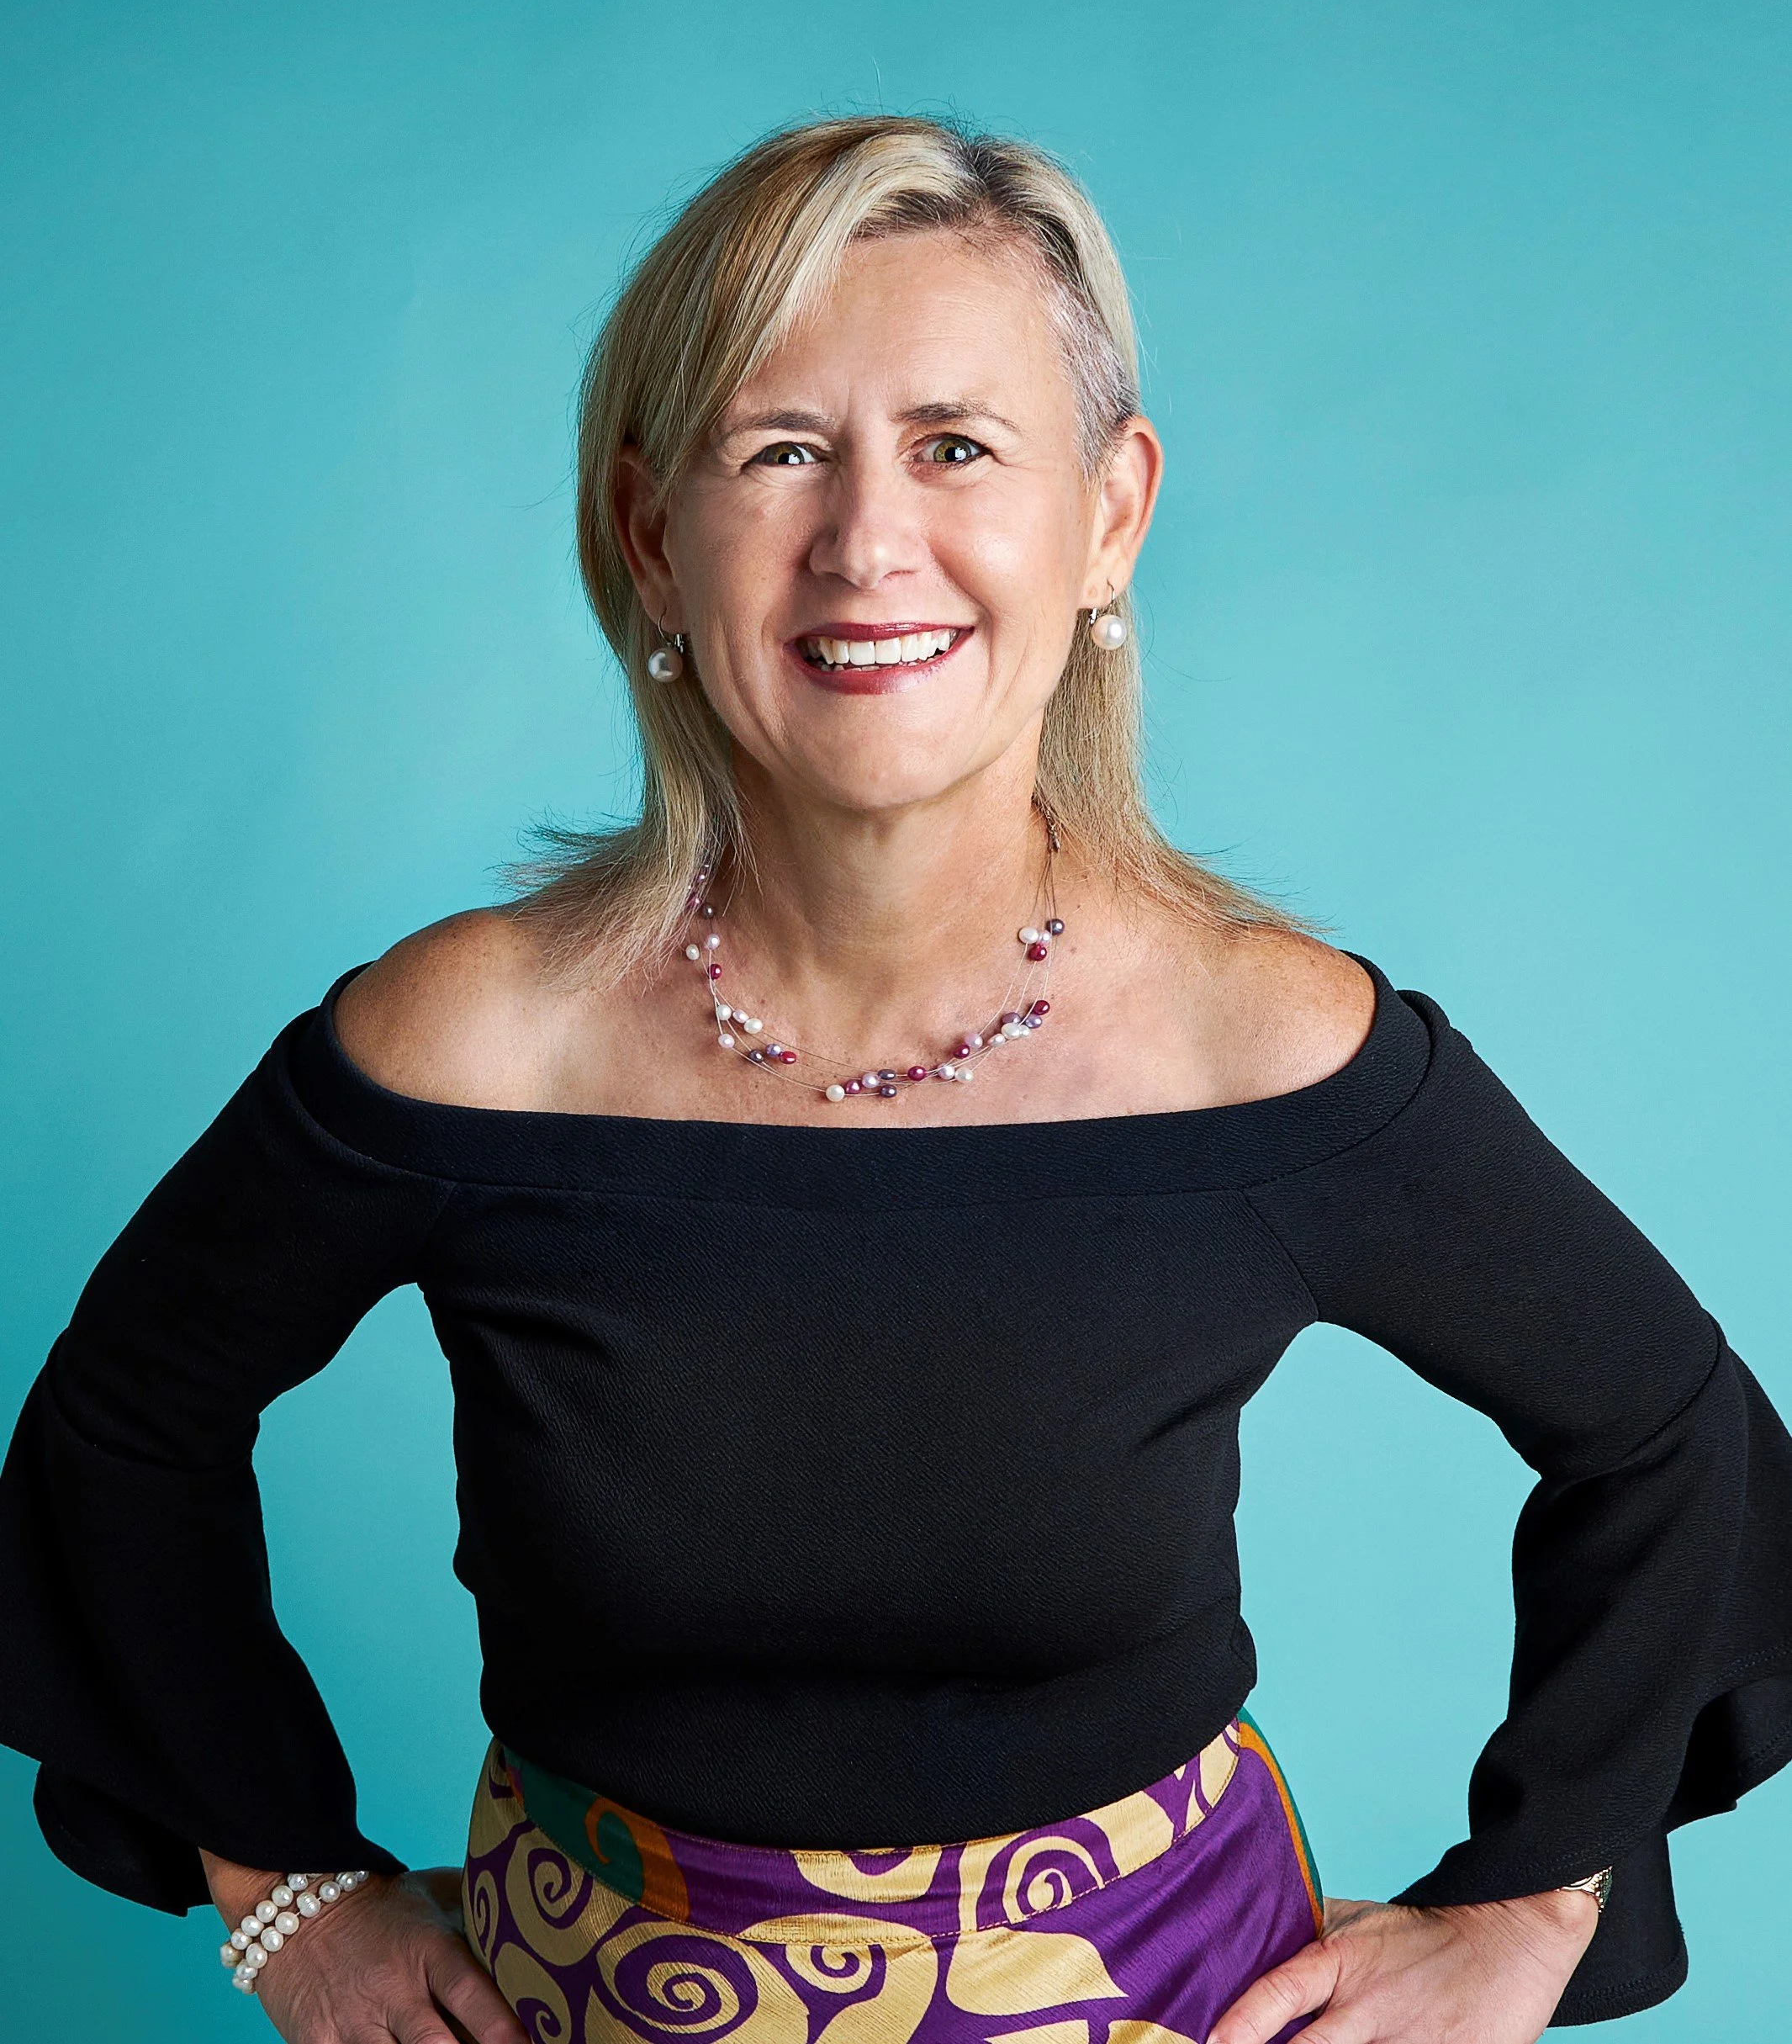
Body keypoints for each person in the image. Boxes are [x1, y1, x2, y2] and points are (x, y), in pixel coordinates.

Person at [3, 113, 1789, 2044]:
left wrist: (1536, 1905)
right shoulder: (475, 1043)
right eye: (781, 448)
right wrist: (283, 1891)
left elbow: (1671, 1438)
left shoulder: (1261, 1046)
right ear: (650, 537)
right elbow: (124, 1429)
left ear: (1110, 516)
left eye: (956, 446)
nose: (866, 542)